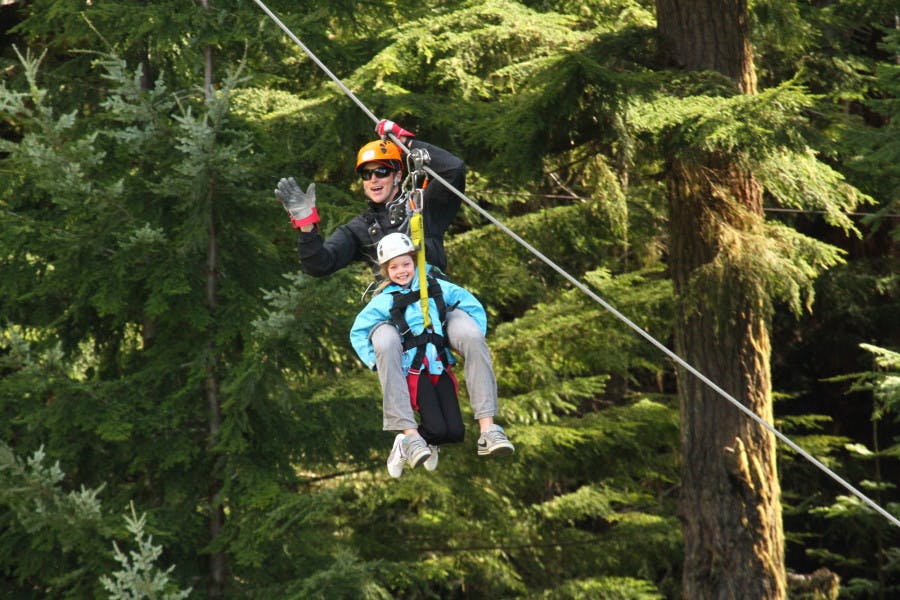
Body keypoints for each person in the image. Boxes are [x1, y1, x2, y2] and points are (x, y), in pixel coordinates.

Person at [274, 120, 514, 470]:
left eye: (382, 171)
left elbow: (454, 169)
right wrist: (306, 224)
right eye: (366, 175)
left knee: (471, 335)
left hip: (436, 302)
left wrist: (405, 140)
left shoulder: (424, 207)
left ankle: (489, 429)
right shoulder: (359, 229)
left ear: (398, 174)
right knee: (385, 344)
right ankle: (408, 433)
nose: (373, 180)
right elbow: (319, 264)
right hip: (393, 311)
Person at [350, 233, 513, 477]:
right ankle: (405, 442)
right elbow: (359, 331)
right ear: (386, 271)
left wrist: (473, 339)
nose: (402, 271)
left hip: (439, 364)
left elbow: (470, 304)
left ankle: (448, 439)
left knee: (456, 433)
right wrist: (375, 361)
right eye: (394, 267)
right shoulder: (384, 301)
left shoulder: (435, 286)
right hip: (416, 371)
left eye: (406, 264)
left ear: (415, 262)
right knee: (436, 428)